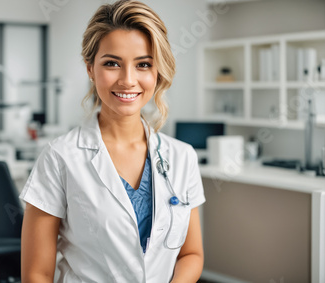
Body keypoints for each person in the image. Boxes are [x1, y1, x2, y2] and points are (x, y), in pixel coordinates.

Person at [20, 1, 205, 282]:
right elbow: (36, 274)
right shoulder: (60, 157)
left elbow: (191, 254)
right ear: (90, 69)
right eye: (112, 63)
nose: (128, 80)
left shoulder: (183, 157)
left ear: (157, 72)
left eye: (143, 64)